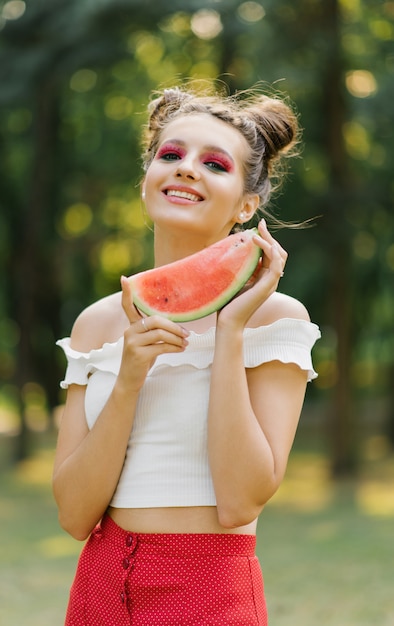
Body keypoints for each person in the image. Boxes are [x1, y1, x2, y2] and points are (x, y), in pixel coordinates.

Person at [53, 84, 320, 626]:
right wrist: (128, 380)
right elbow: (75, 514)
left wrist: (230, 332)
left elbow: (241, 501)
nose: (186, 168)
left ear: (247, 204)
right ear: (147, 180)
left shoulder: (276, 318)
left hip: (210, 586)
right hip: (101, 582)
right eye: (170, 155)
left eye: (214, 163)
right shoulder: (97, 323)